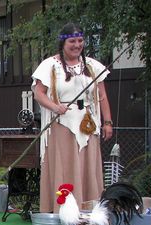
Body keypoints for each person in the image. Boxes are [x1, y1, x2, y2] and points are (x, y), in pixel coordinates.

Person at [32, 23, 113, 213]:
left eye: (80, 41)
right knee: (65, 166)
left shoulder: (92, 66)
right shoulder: (50, 65)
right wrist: (55, 107)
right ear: (63, 43)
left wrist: (107, 121)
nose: (77, 45)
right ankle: (62, 212)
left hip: (88, 124)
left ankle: (89, 211)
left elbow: (102, 96)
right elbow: (39, 93)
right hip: (62, 125)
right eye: (72, 41)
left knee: (87, 167)